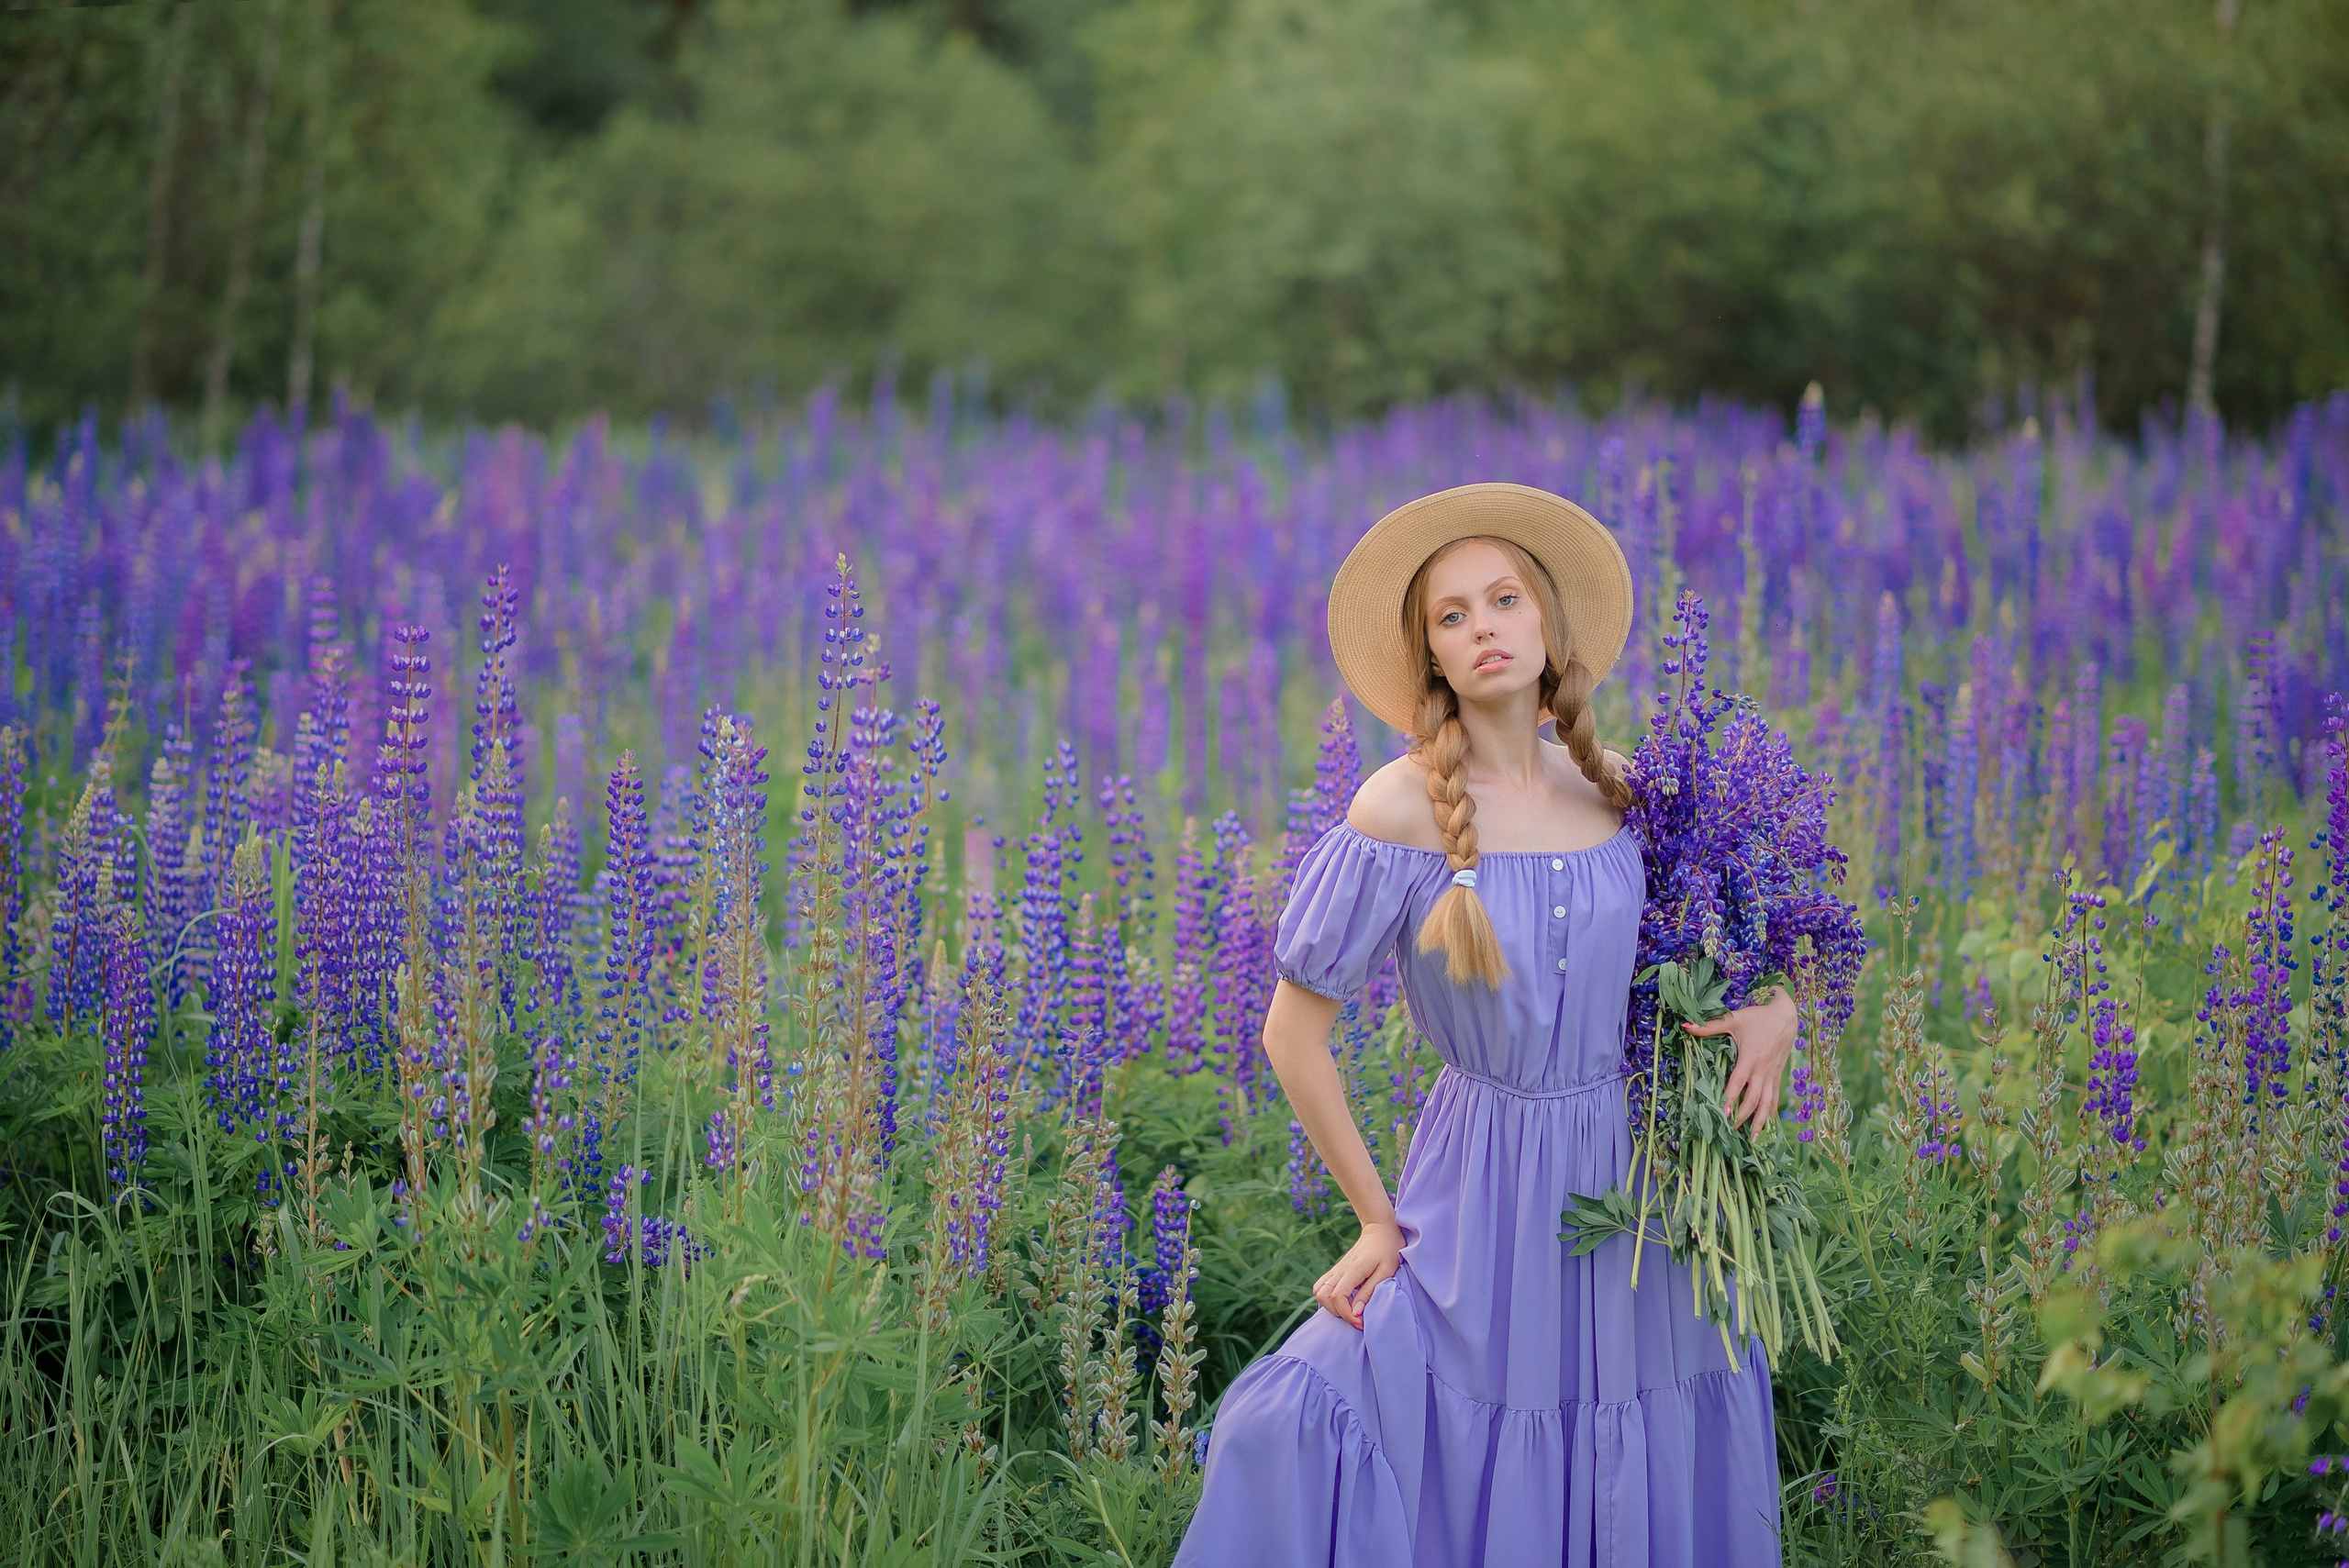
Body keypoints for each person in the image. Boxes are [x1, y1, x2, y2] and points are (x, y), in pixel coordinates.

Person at [1174, 484, 1798, 1567]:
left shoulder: (1628, 796)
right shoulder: (1401, 806)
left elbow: (1725, 963)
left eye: (1502, 598)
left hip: (1636, 1190)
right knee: (1305, 1415)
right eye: (1450, 615)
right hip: (1480, 1186)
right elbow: (1290, 1031)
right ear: (1430, 657)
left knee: (1643, 1426)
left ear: (1547, 624)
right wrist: (1374, 1221)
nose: (1483, 627)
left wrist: (1777, 1013)